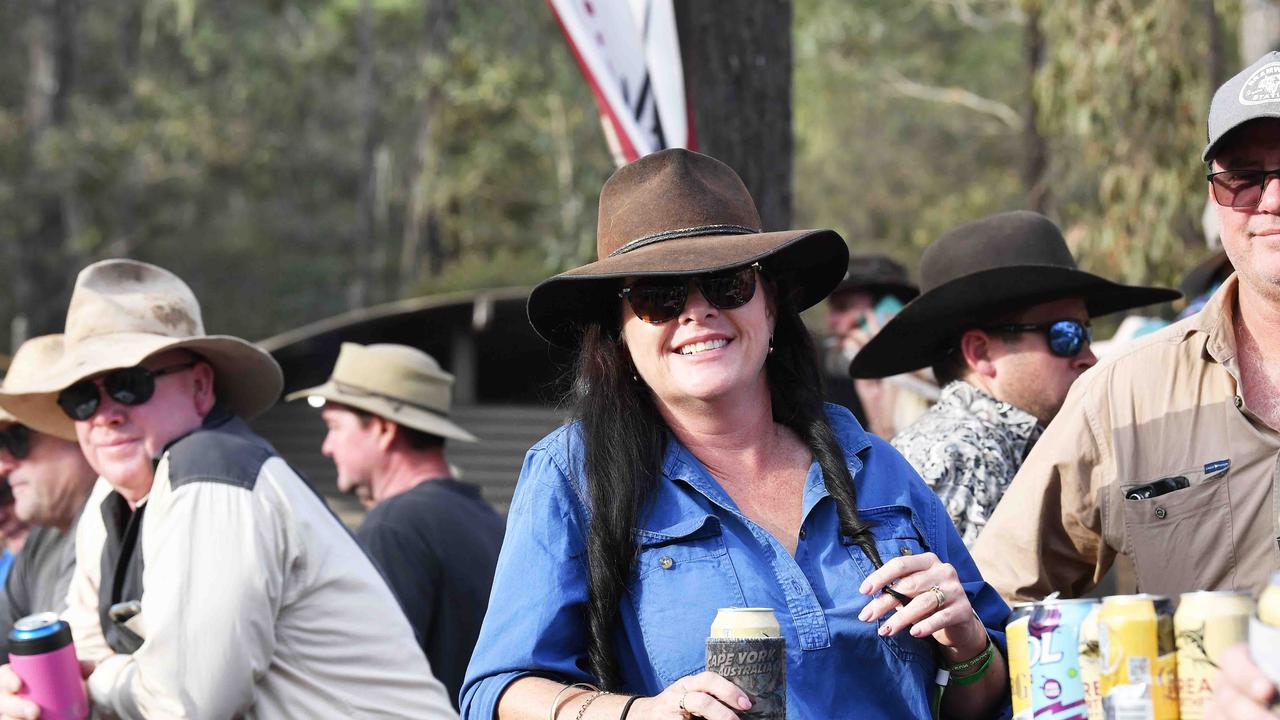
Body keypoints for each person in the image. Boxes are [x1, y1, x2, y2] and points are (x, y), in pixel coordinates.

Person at [460, 149, 1010, 720]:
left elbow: (994, 694)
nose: (698, 313)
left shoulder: (873, 465)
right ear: (620, 332)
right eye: (657, 297)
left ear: (771, 305)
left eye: (727, 285)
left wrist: (969, 648)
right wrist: (635, 714)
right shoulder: (573, 475)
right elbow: (496, 691)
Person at [0, 260, 456, 718]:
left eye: (127, 385)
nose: (104, 415)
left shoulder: (209, 469)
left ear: (201, 387)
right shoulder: (112, 496)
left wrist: (95, 679)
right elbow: (84, 655)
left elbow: (187, 704)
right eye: (81, 398)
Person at [971, 52, 1280, 597]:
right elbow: (997, 600)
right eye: (1243, 177)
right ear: (1215, 192)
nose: (1271, 199)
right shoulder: (1125, 393)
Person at [850, 211, 1178, 546]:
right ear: (981, 353)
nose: (1089, 358)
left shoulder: (1012, 445)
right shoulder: (958, 457)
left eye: (1086, 334)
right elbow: (968, 596)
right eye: (1066, 334)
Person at [289, 341, 504, 709]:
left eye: (335, 427)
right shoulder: (489, 520)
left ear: (385, 430)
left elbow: (368, 687)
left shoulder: (394, 526)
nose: (327, 446)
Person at [0, 335, 97, 656]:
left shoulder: (116, 526)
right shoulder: (43, 541)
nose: (3, 463)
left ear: (76, 425)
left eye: (17, 438)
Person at [822, 255, 934, 439]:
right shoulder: (828, 381)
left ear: (887, 314)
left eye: (843, 308)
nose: (831, 322)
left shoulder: (942, 373)